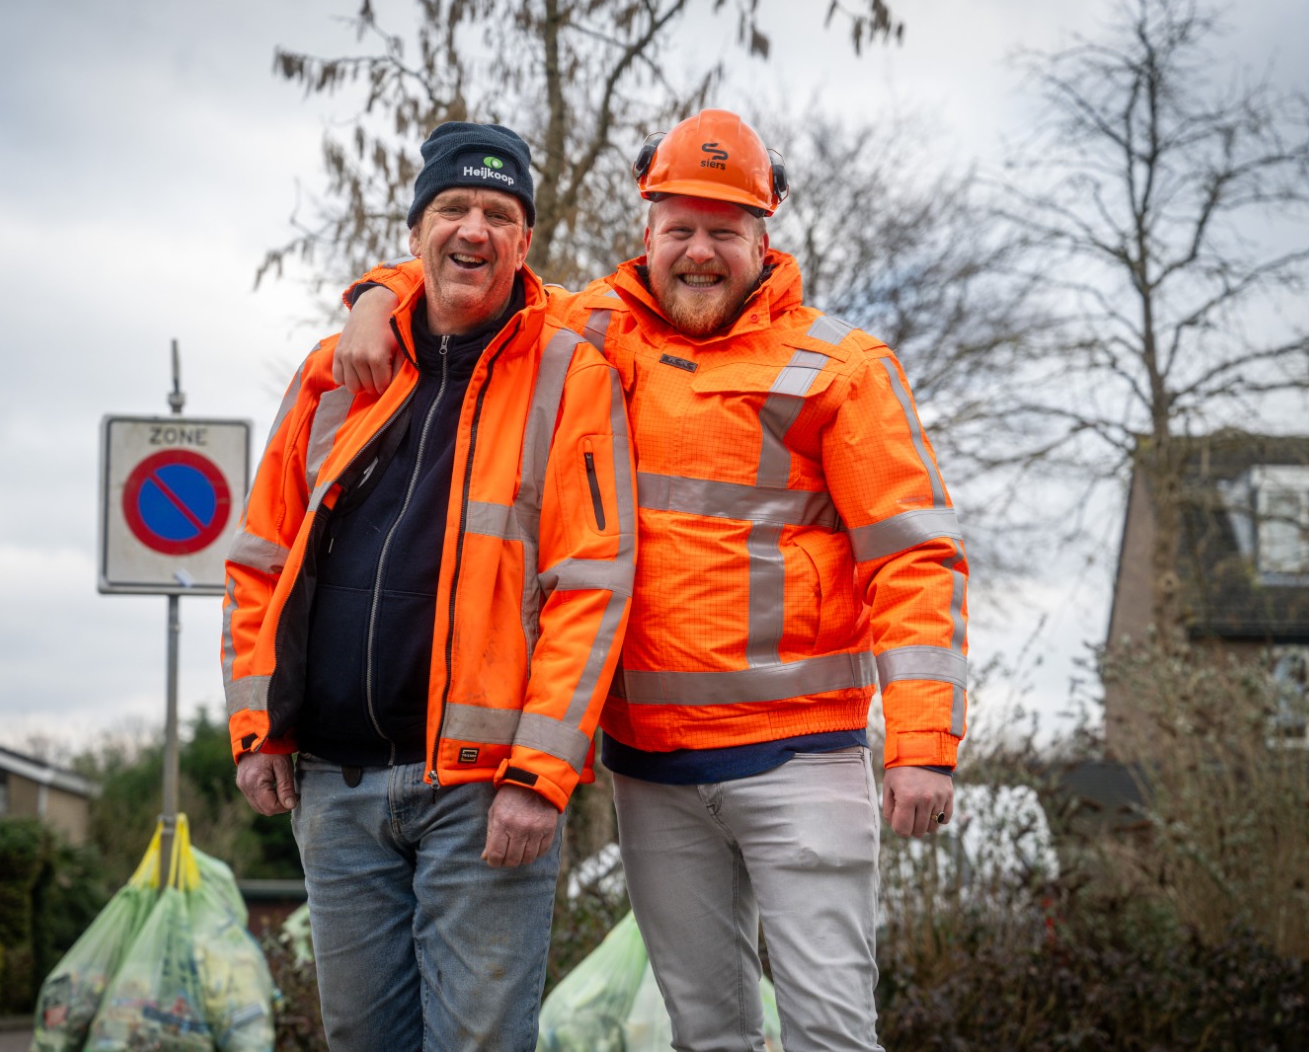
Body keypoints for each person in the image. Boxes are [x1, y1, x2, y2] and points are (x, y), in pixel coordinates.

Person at [336, 110, 967, 1052]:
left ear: (765, 238)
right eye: (681, 228)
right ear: (648, 232)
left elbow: (914, 558)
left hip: (802, 760)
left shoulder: (841, 367)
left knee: (832, 1036)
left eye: (725, 231)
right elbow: (466, 272)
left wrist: (923, 742)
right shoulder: (590, 332)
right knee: (706, 1035)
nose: (700, 252)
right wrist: (371, 295)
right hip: (656, 773)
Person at [221, 121, 635, 1052]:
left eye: (498, 213)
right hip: (334, 785)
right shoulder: (336, 374)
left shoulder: (572, 370)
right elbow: (258, 560)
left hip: (485, 796)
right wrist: (256, 727)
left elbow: (591, 588)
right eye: (452, 207)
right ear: (414, 232)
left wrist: (542, 774)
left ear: (526, 243)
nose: (473, 229)